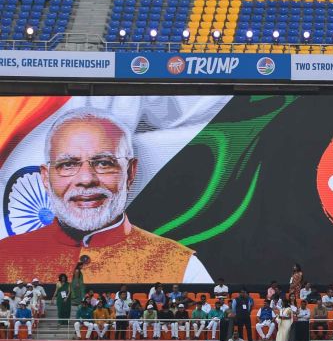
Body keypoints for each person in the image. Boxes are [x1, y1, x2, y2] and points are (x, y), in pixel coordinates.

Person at [0, 108, 211, 283]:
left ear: (130, 172)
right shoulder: (4, 257)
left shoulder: (182, 267)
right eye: (68, 164)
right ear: (46, 178)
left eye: (103, 163)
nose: (86, 179)